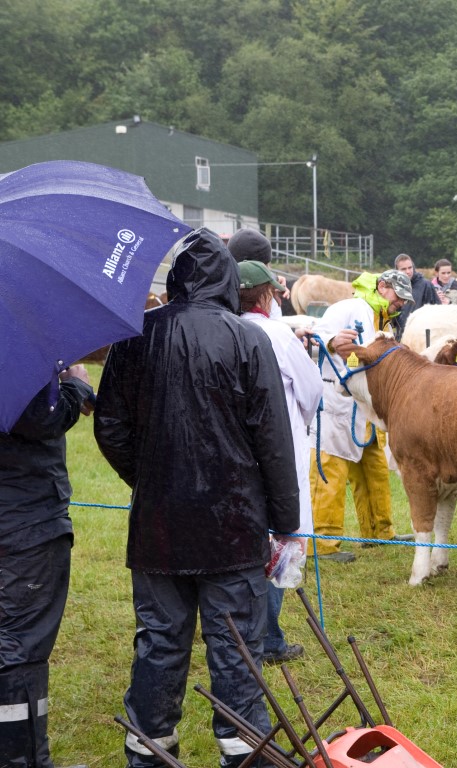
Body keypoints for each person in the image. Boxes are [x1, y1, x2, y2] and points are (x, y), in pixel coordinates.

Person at [94, 230, 301, 768]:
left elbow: (111, 427)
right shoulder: (243, 339)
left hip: (170, 524)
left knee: (161, 641)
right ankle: (236, 750)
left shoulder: (141, 336)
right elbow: (274, 441)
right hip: (229, 524)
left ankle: (154, 750)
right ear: (228, 280)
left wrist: (152, 482)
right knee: (234, 644)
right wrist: (285, 522)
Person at [1, 367, 93, 768]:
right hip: (23, 521)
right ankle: (21, 760)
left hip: (19, 513)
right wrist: (74, 386)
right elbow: (40, 416)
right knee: (20, 646)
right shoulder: (14, 348)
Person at [237, 260, 324, 665]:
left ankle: (238, 630)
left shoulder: (226, 328)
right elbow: (311, 390)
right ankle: (268, 638)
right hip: (278, 450)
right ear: (266, 295)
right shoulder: (277, 334)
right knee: (277, 538)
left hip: (236, 453)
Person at [309, 269, 413, 563]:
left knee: (375, 469)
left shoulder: (384, 322)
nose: (401, 303)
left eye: (404, 300)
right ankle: (323, 543)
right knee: (330, 471)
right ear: (382, 286)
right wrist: (333, 341)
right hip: (337, 404)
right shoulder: (348, 307)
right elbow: (316, 335)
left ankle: (379, 531)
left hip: (366, 408)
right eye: (398, 296)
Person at [227, 228, 291, 319]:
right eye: (266, 266)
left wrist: (274, 279)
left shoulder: (220, 291)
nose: (269, 270)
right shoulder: (266, 301)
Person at [393, 254, 440, 341]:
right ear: (397, 271)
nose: (408, 271)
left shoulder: (426, 285)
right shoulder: (394, 287)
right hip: (400, 337)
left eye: (410, 267)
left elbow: (437, 311)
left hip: (421, 337)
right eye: (403, 269)